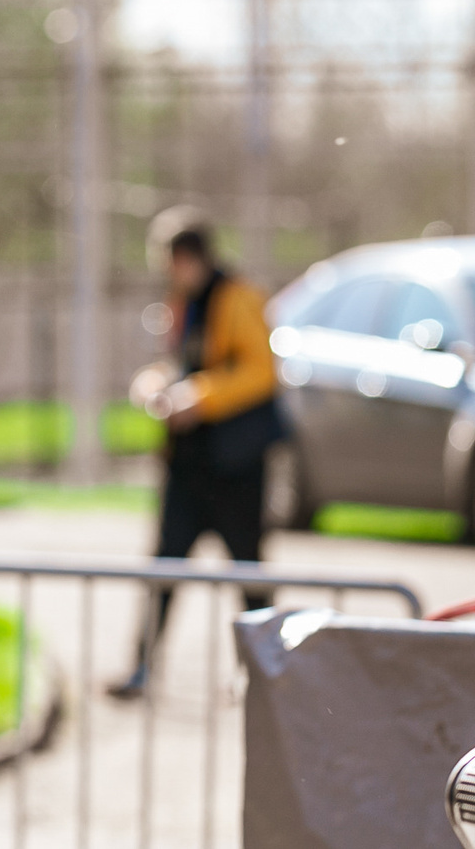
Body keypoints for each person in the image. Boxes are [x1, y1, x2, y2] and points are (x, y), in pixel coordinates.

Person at [108, 211, 284, 700]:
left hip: (235, 465)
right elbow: (181, 363)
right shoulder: (182, 303)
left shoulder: (240, 298)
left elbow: (259, 372)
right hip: (188, 465)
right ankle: (142, 667)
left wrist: (199, 397)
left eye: (171, 261)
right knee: (164, 568)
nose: (169, 271)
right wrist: (157, 384)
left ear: (189, 257)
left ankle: (265, 675)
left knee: (249, 572)